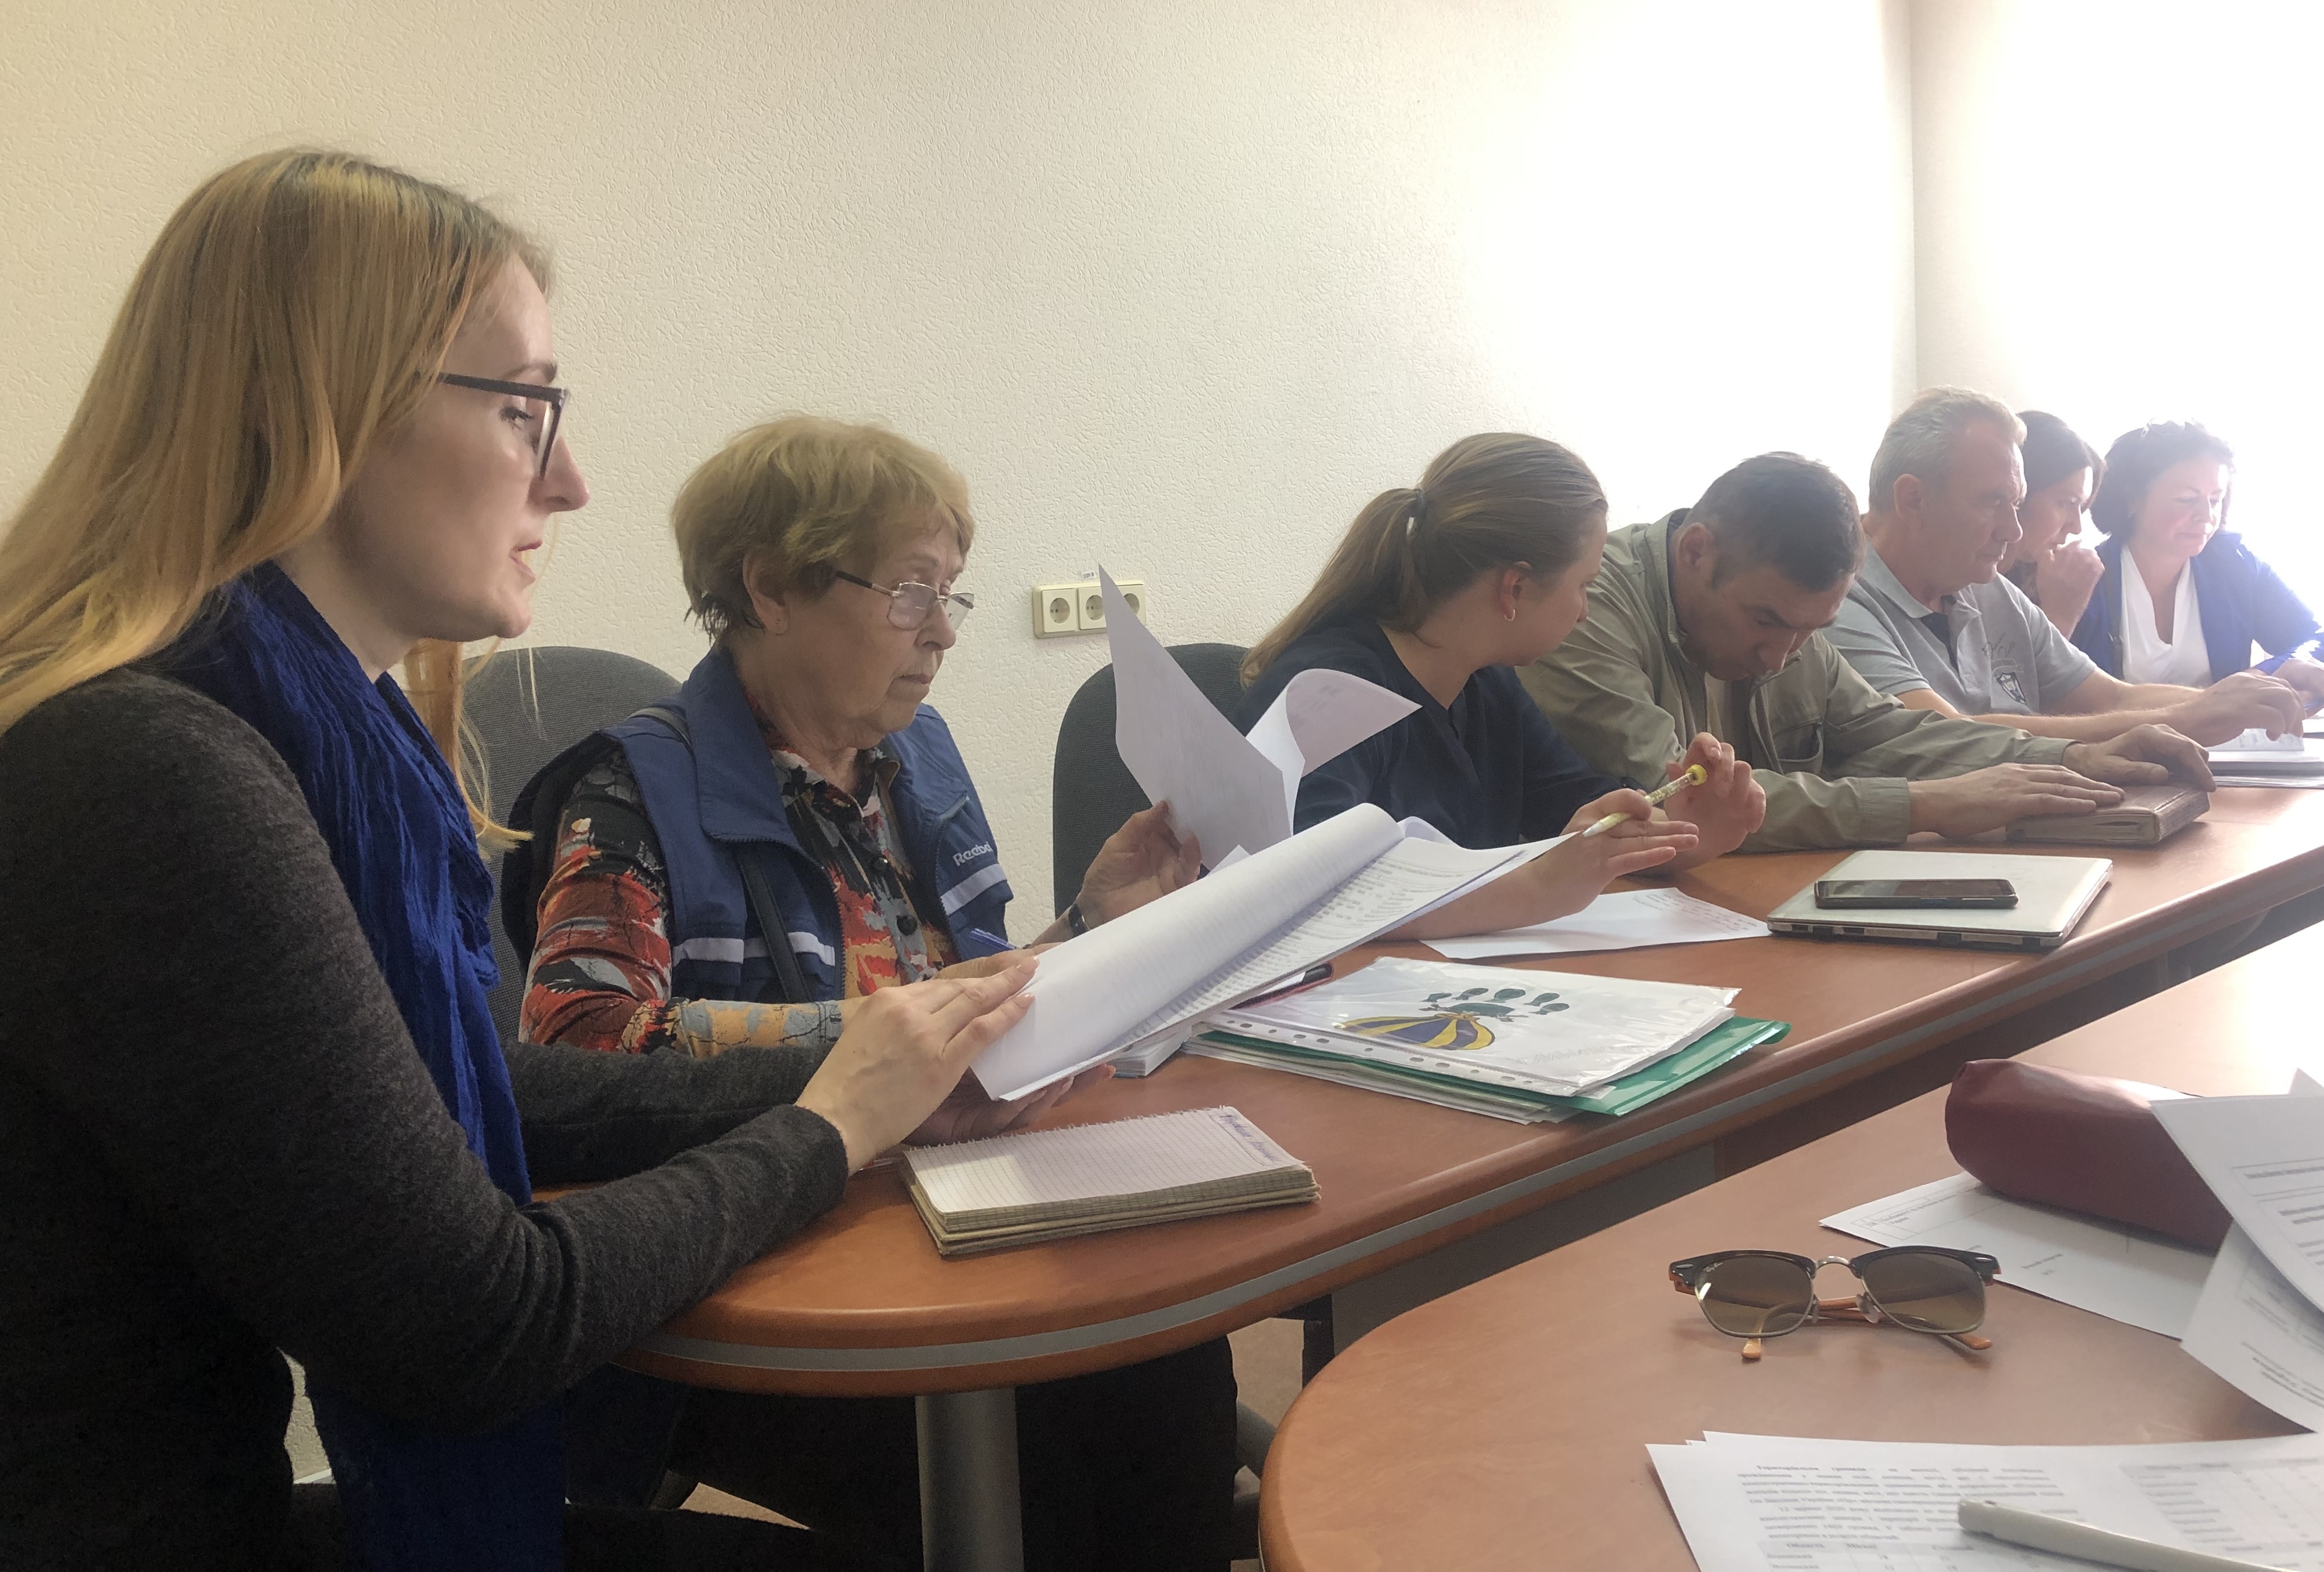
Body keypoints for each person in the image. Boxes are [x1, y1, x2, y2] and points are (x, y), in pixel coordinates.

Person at [0, 150, 1063, 1571]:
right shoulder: (149, 768)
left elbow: (464, 1091)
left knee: (1092, 1430)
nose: (569, 480)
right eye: (523, 409)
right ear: (325, 407)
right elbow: (472, 1322)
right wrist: (826, 1126)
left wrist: (876, 1073)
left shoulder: (287, 732)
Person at [503, 416, 1233, 1571]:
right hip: (750, 1268)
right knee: (1041, 1492)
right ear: (770, 588)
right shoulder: (634, 788)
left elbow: (955, 1002)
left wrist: (1090, 926)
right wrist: (873, 1046)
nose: (943, 630)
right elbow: (580, 1048)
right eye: (910, 591)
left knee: (1171, 1363)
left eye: (951, 593)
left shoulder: (915, 757)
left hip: (946, 1202)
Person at [1521, 451, 2214, 851]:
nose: (1778, 658)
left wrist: (2068, 757)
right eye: (1765, 621)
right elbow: (1677, 798)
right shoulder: (1585, 607)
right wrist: (1925, 804)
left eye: (1809, 630)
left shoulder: (1793, 623)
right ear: (1696, 551)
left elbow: (1888, 729)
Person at [1232, 433, 1765, 937]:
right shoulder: (1328, 688)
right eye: (1583, 585)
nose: (1584, 612)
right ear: (1514, 588)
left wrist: (1697, 832)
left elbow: (1579, 819)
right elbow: (1312, 889)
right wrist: (1538, 887)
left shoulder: (1486, 682)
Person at [1827, 389, 2303, 745]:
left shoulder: (1981, 584)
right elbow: (1944, 735)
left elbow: (2109, 696)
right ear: (1913, 500)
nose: (2013, 530)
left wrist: (2240, 697)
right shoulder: (1838, 602)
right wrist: (2185, 717)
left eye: (2016, 504)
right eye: (1993, 502)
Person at [2071, 421, 2324, 713]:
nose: (2207, 516)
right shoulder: (2086, 577)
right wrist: (2230, 694)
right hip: (2120, 738)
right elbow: (2065, 695)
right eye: (2186, 500)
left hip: (2227, 741)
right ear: (2132, 499)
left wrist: (2264, 676)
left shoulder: (2234, 564)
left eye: (2215, 499)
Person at [2005, 409, 2103, 636]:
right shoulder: (1966, 585)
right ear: (2019, 494)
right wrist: (2060, 616)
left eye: (2082, 506)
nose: (2076, 527)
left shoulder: (2047, 580)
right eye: (2066, 503)